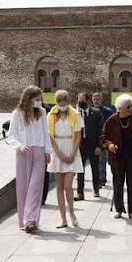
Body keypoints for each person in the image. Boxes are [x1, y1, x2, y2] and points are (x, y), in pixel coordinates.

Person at [7, 85, 52, 233]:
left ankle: (31, 219)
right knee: (23, 188)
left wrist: (47, 151)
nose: (40, 101)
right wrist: (18, 146)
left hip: (39, 151)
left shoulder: (42, 112)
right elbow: (11, 135)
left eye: (41, 98)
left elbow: (46, 133)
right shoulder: (17, 114)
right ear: (29, 98)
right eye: (37, 98)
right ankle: (24, 220)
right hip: (23, 152)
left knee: (35, 186)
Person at [102, 94, 132, 220]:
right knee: (118, 184)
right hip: (117, 158)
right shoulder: (111, 120)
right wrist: (109, 145)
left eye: (131, 106)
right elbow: (104, 137)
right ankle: (119, 209)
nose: (131, 108)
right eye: (128, 106)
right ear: (120, 109)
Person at [47, 90, 83, 228]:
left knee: (68, 186)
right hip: (57, 151)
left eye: (64, 104)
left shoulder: (75, 114)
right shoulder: (51, 115)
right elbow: (50, 136)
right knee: (59, 187)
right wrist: (59, 154)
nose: (62, 106)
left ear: (68, 102)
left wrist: (73, 153)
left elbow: (78, 134)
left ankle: (72, 212)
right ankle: (63, 218)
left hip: (71, 148)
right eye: (59, 104)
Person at [75, 92, 104, 200]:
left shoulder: (96, 113)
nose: (80, 101)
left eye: (82, 99)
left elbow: (101, 129)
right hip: (80, 145)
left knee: (95, 168)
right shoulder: (76, 113)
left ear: (87, 101)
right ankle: (80, 192)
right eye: (78, 99)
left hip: (93, 145)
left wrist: (99, 145)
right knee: (80, 169)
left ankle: (96, 189)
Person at [92, 92, 114, 187]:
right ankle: (97, 179)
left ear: (101, 100)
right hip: (91, 140)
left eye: (98, 99)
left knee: (101, 161)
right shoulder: (89, 110)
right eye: (94, 99)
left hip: (103, 139)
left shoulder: (108, 111)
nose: (96, 101)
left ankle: (101, 179)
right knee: (94, 162)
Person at [41, 102, 52, 205]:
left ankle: (43, 197)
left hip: (43, 146)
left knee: (44, 173)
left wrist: (48, 150)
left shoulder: (46, 110)